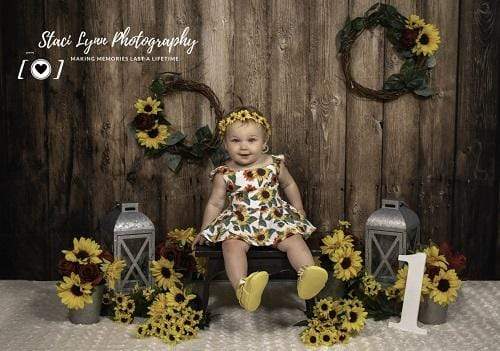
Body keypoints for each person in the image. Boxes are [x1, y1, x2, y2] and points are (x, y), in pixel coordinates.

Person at [191, 107, 327, 312]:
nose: (243, 147)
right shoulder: (224, 172)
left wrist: (298, 208)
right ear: (226, 144)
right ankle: (244, 289)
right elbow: (215, 203)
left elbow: (289, 185)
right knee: (231, 246)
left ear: (264, 143)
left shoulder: (274, 164)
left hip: (274, 217)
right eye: (235, 141)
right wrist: (205, 229)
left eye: (251, 140)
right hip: (239, 220)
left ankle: (308, 275)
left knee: (293, 240)